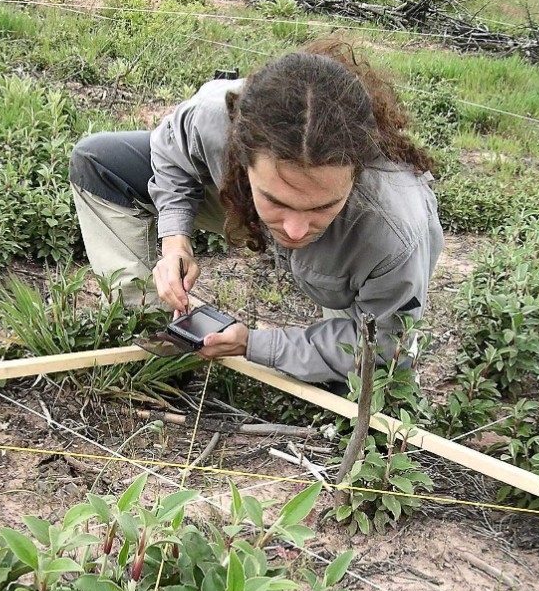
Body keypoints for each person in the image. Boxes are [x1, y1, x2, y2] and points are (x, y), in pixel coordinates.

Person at [68, 38, 443, 386]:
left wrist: (255, 345)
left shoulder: (395, 230)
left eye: (321, 206)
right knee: (99, 162)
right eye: (277, 200)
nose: (295, 232)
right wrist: (175, 241)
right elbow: (170, 153)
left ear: (357, 171)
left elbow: (385, 348)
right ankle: (150, 330)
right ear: (240, 153)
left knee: (361, 376)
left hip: (354, 244)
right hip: (240, 201)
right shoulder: (215, 117)